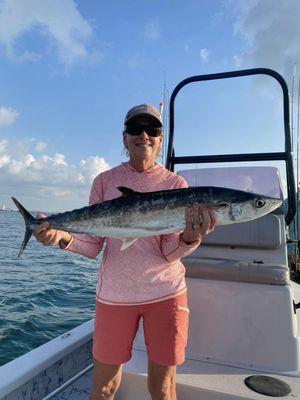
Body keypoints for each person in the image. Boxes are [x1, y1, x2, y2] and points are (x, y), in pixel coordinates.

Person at [33, 104, 216, 400]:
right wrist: (61, 238)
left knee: (163, 388)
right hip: (115, 297)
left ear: (160, 138)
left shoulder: (175, 185)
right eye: (135, 129)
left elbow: (169, 253)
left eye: (152, 130)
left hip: (165, 295)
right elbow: (92, 246)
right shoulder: (104, 182)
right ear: (124, 137)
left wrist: (190, 237)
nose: (143, 135)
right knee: (103, 389)